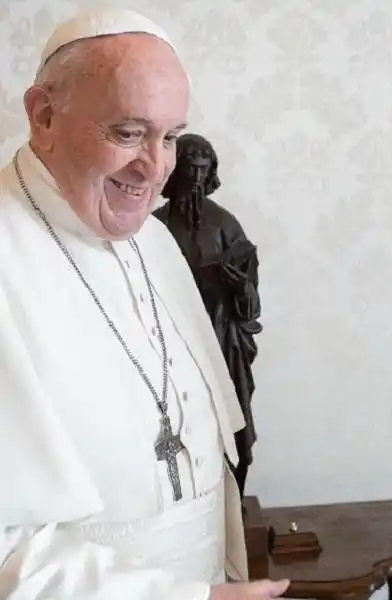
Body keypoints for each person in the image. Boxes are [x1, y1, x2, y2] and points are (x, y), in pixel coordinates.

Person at [0, 8, 287, 599]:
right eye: (128, 133)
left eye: (172, 137)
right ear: (44, 115)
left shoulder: (153, 240)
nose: (155, 168)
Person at [154, 133, 263, 498]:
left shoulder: (226, 227)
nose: (196, 179)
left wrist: (238, 287)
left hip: (220, 340)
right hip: (167, 347)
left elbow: (251, 305)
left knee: (234, 431)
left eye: (203, 170)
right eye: (189, 170)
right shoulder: (153, 226)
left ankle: (233, 503)